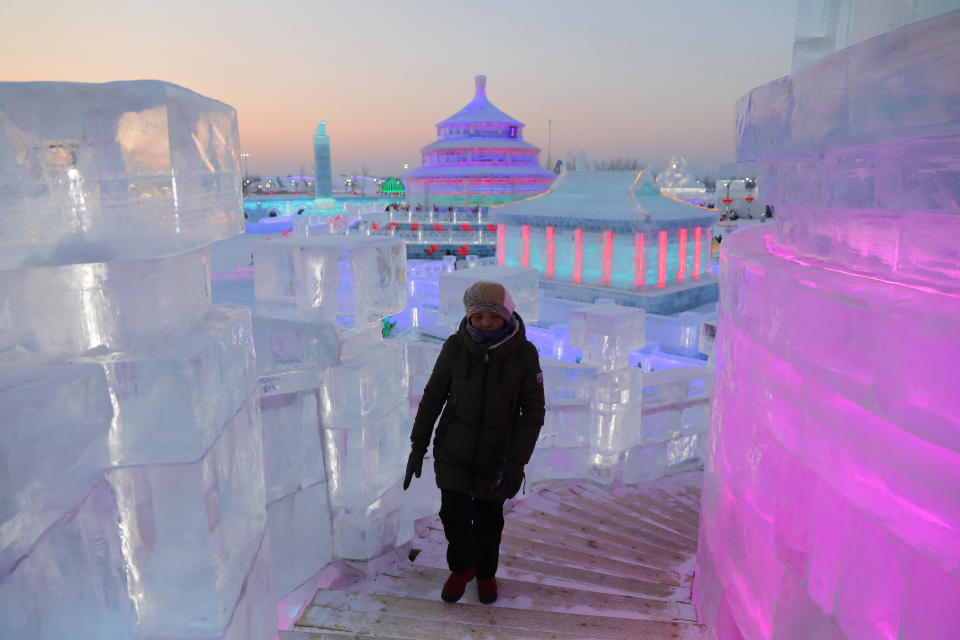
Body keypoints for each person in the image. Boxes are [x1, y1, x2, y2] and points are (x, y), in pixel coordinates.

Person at [403, 281, 545, 605]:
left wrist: (515, 463)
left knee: (488, 520)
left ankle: (485, 572)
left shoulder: (525, 355)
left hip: (497, 457)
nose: (484, 322)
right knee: (452, 514)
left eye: (492, 316)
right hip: (453, 448)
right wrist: (417, 445)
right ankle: (462, 567)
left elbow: (533, 410)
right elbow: (433, 397)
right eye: (477, 316)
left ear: (506, 315)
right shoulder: (455, 347)